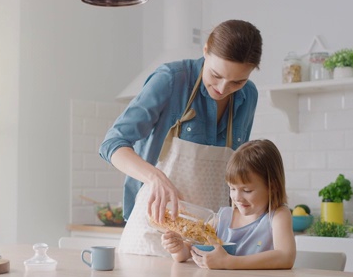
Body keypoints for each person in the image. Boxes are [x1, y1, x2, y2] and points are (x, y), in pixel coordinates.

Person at [99, 19, 263, 256]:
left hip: (207, 242)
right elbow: (112, 144)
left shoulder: (248, 96)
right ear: (205, 50)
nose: (223, 88)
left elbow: (237, 173)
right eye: (216, 74)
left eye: (238, 81)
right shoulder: (171, 80)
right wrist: (154, 177)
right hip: (154, 235)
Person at [161, 139, 296, 270]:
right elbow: (188, 251)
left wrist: (230, 262)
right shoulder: (221, 218)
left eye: (247, 190)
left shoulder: (278, 215)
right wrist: (177, 249)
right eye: (232, 188)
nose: (237, 197)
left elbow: (286, 257)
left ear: (272, 187)